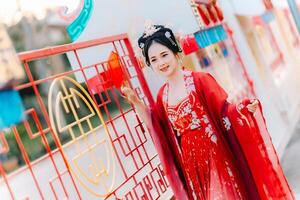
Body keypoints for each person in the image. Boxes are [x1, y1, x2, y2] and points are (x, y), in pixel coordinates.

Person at [121, 24, 294, 200]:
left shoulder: (200, 80)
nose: (161, 63)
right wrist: (135, 101)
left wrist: (242, 109)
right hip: (192, 165)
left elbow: (224, 111)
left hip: (216, 156)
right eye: (154, 59)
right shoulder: (162, 96)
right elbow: (156, 125)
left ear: (176, 52)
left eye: (164, 55)